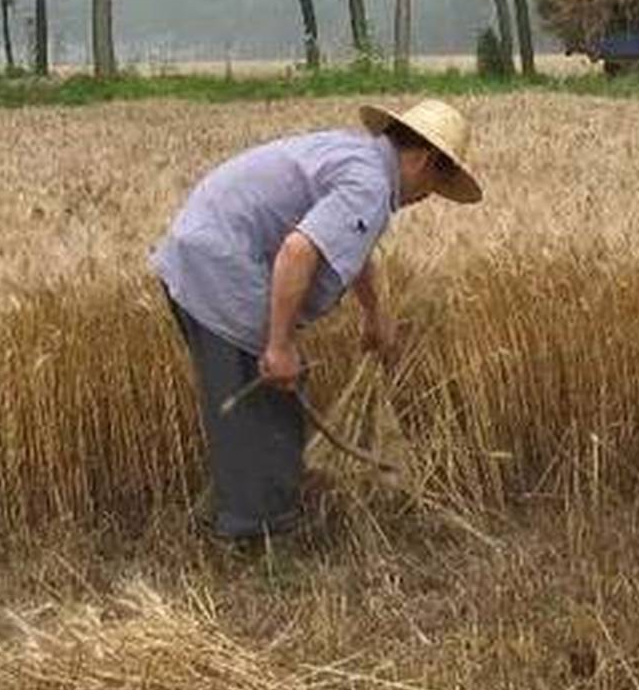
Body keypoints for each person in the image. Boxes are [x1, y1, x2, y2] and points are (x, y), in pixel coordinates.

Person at [152, 99, 482, 540]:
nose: (427, 197)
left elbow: (346, 249)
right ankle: (258, 540)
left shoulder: (361, 162)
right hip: (220, 269)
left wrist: (373, 313)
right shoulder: (368, 183)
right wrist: (279, 345)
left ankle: (229, 516)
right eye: (436, 182)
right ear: (422, 159)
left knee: (251, 406)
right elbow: (299, 251)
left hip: (202, 256)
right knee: (270, 406)